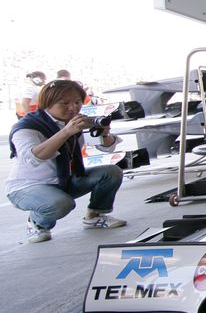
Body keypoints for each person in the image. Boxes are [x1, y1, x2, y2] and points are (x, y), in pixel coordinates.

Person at [7, 79, 125, 243]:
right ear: (47, 103)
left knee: (111, 172)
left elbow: (107, 148)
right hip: (28, 187)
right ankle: (37, 224)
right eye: (65, 103)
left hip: (64, 180)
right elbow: (34, 157)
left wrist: (104, 133)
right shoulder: (27, 127)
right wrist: (66, 132)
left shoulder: (76, 122)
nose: (73, 108)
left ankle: (94, 216)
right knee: (61, 204)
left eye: (77, 102)